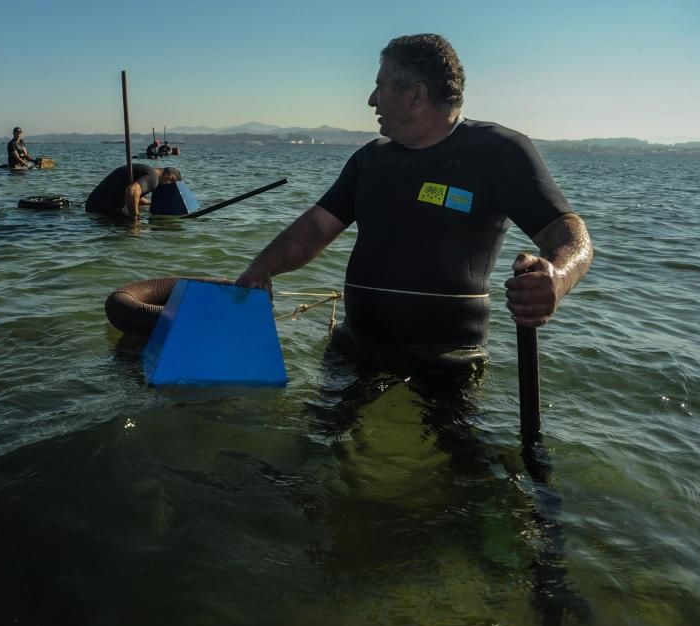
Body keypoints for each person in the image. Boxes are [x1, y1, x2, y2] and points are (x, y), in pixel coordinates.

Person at [237, 33, 593, 380]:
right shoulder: (371, 160)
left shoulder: (499, 151)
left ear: (416, 95)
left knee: (456, 442)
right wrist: (263, 266)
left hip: (447, 360)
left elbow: (566, 229)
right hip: (356, 349)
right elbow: (316, 227)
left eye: (381, 86)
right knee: (315, 440)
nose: (371, 100)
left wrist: (559, 277)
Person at [84, 164, 182, 218]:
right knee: (135, 228)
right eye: (171, 186)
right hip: (103, 209)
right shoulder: (154, 179)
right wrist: (135, 218)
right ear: (169, 178)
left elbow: (135, 195)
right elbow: (131, 192)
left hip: (93, 204)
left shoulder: (148, 171)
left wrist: (150, 203)